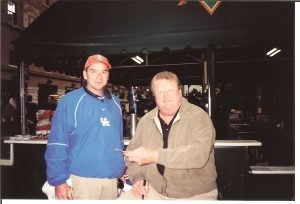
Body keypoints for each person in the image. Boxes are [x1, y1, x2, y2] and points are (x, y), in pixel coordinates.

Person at [119, 71, 218, 200]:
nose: (166, 97)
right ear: (154, 95)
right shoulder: (146, 121)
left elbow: (198, 155)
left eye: (170, 91)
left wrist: (154, 155)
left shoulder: (199, 117)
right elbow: (133, 153)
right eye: (160, 92)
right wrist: (138, 178)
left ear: (179, 92)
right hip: (154, 191)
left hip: (195, 195)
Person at [44, 54, 126, 200]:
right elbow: (57, 142)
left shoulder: (116, 103)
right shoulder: (70, 101)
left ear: (108, 75)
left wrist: (122, 169)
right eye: (93, 71)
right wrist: (59, 181)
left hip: (111, 182)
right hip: (82, 182)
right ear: (85, 74)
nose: (99, 76)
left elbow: (118, 141)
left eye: (104, 72)